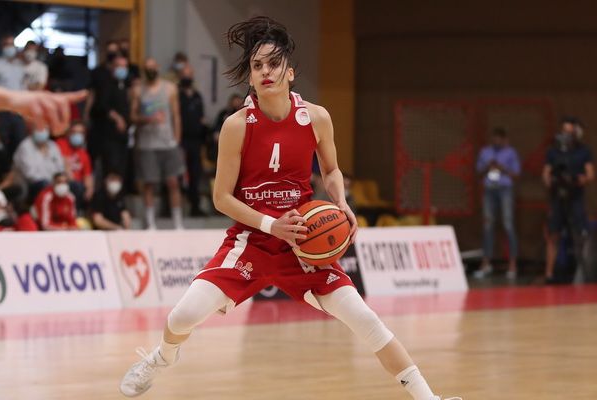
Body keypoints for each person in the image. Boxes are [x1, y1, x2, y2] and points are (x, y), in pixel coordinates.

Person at [119, 17, 460, 400]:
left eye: (274, 63)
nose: (266, 71)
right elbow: (221, 198)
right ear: (250, 78)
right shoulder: (237, 125)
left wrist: (341, 202)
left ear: (290, 72)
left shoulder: (316, 117)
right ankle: (162, 357)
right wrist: (271, 224)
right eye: (257, 66)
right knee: (181, 317)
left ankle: (430, 399)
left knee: (366, 320)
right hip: (252, 241)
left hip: (303, 243)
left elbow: (331, 170)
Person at [131, 57, 184, 230]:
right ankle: (150, 223)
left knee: (173, 182)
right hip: (147, 144)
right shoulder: (138, 90)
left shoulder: (169, 88)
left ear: (158, 67)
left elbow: (176, 115)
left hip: (167, 142)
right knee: (149, 183)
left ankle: (178, 222)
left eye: (153, 67)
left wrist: (177, 138)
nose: (151, 70)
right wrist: (147, 119)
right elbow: (132, 116)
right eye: (147, 67)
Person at [543, 117, 594, 283]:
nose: (566, 135)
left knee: (580, 234)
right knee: (553, 235)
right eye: (564, 131)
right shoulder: (553, 151)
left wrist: (579, 179)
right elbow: (546, 173)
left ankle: (583, 272)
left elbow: (590, 175)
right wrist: (551, 180)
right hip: (557, 197)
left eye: (569, 132)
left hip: (575, 197)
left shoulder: (583, 151)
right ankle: (549, 274)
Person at [473, 128, 521, 279]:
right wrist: (487, 167)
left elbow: (516, 174)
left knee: (508, 224)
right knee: (488, 225)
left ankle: (513, 264)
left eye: (500, 138)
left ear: (505, 139)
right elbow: (478, 172)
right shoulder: (485, 152)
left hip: (505, 189)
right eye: (495, 138)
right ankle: (486, 264)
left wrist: (502, 168)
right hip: (489, 190)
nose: (497, 141)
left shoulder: (511, 152)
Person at [178, 64, 207, 216]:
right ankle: (173, 208)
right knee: (179, 174)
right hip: (180, 140)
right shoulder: (177, 95)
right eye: (185, 74)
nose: (187, 77)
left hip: (195, 141)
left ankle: (195, 206)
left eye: (189, 74)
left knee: (195, 173)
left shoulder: (197, 96)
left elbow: (202, 118)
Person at [12, 126, 65, 201]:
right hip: (32, 185)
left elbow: (60, 168)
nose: (41, 132)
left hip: (54, 182)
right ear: (32, 131)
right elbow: (30, 175)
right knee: (45, 184)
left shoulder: (53, 145)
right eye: (38, 129)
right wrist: (52, 183)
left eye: (43, 129)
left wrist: (58, 181)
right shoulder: (25, 146)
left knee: (74, 186)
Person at [56, 120, 94, 211]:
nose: (77, 135)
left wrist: (90, 189)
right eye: (74, 132)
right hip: (63, 181)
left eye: (81, 133)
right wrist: (70, 177)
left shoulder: (84, 154)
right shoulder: (60, 144)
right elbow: (64, 164)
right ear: (69, 133)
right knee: (76, 186)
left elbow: (87, 176)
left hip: (78, 186)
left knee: (89, 192)